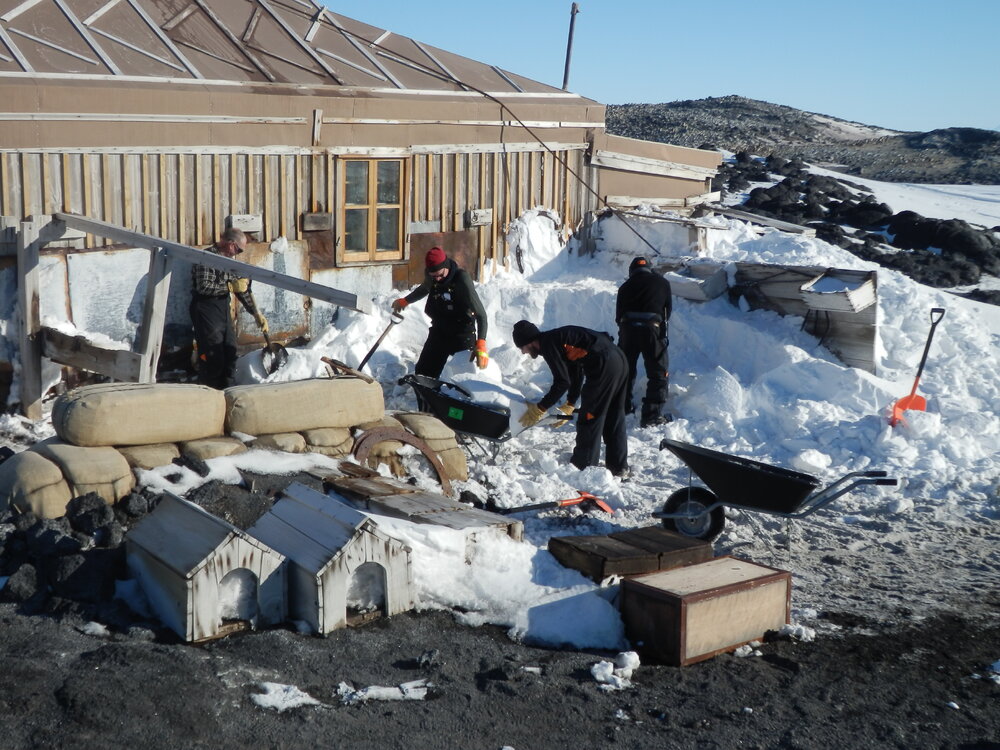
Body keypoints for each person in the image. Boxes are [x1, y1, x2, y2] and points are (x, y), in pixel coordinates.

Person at [512, 320, 629, 478]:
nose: (523, 352)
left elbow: (562, 382)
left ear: (530, 342)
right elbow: (575, 373)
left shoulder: (548, 344)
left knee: (590, 417)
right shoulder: (559, 339)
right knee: (614, 415)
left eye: (522, 347)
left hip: (604, 364)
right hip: (619, 359)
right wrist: (571, 403)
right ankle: (619, 467)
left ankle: (583, 468)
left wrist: (541, 408)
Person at [392, 247, 489, 378]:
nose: (437, 279)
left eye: (440, 275)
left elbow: (481, 314)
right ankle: (427, 397)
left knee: (465, 374)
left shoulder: (461, 279)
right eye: (433, 276)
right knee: (423, 372)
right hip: (440, 329)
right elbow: (424, 288)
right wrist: (405, 300)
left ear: (446, 266)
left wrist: (481, 343)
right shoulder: (432, 277)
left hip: (462, 332)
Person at [189, 227, 268, 389]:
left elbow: (241, 289)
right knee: (212, 356)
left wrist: (256, 313)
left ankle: (228, 392)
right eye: (238, 250)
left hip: (222, 310)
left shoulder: (230, 263)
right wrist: (229, 287)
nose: (238, 253)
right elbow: (204, 286)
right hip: (206, 310)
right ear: (231, 244)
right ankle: (209, 392)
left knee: (230, 352)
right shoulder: (206, 258)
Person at [616, 256, 673, 427]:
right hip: (651, 329)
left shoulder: (624, 287)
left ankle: (622, 408)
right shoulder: (662, 283)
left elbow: (618, 316)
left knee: (624, 370)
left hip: (628, 330)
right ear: (650, 268)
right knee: (658, 372)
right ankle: (651, 415)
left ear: (631, 271)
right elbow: (667, 313)